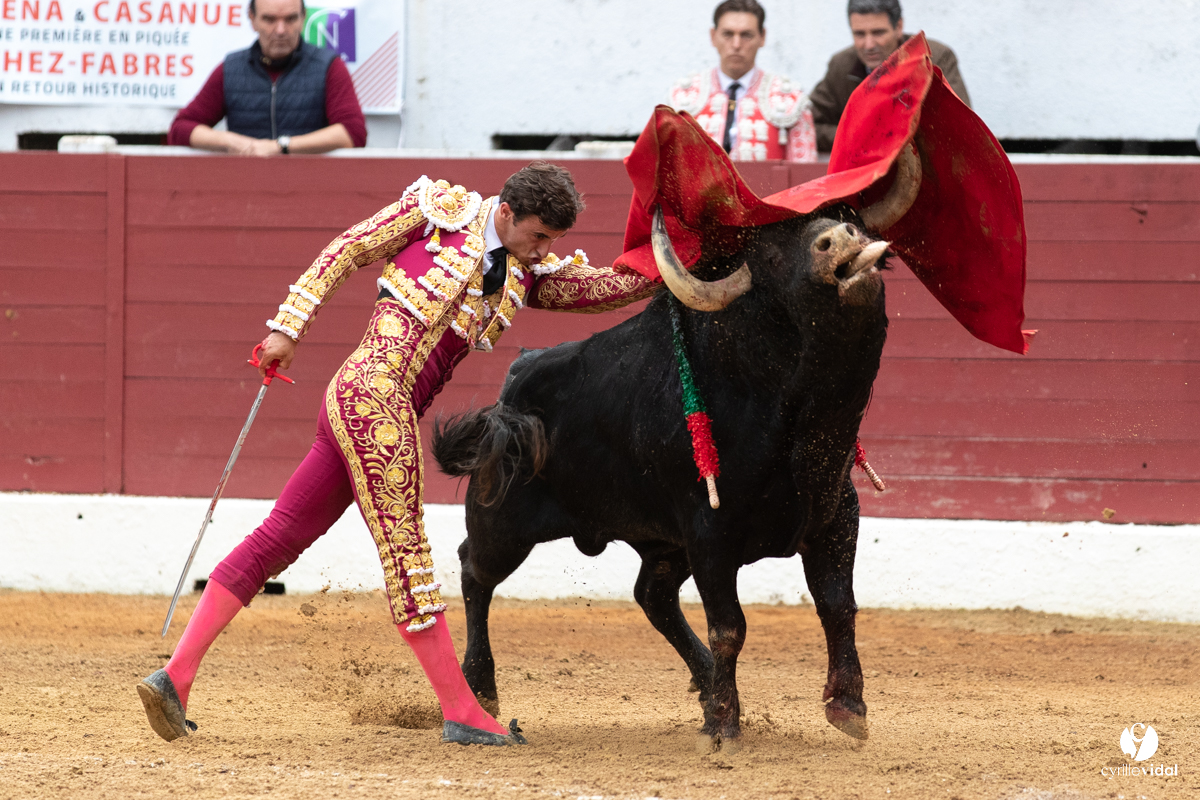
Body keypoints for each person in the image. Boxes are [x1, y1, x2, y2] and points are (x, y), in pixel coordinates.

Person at [136, 162, 656, 746]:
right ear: (506, 212)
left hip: (365, 405)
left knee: (280, 535)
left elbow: (603, 289)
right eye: (539, 237)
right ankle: (461, 710)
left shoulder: (520, 274)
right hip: (377, 404)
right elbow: (349, 248)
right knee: (409, 563)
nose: (544, 252)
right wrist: (288, 327)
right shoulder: (440, 212)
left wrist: (670, 263)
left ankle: (174, 677)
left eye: (552, 243)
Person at [167, 0, 366, 155]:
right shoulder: (231, 68)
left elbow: (352, 133)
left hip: (313, 187)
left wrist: (281, 146)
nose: (280, 30)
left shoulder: (329, 66)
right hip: (246, 189)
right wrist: (232, 142)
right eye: (269, 19)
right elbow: (180, 129)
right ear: (252, 19)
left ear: (303, 18)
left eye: (290, 19)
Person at [810, 0, 971, 152]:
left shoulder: (934, 58)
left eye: (878, 32)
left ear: (898, 26)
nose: (869, 44)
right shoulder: (841, 66)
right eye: (859, 34)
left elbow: (961, 126)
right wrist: (860, 137)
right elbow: (808, 126)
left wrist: (888, 139)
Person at [669, 0, 817, 163]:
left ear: (762, 37)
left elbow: (805, 176)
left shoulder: (791, 98)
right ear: (713, 36)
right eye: (728, 34)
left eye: (746, 35)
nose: (736, 44)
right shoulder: (682, 96)